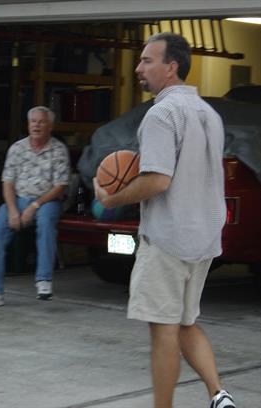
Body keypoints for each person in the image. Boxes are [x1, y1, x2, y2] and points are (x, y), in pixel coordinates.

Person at [93, 33, 235, 408]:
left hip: (170, 239)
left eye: (147, 60)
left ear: (171, 67)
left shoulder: (161, 114)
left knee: (164, 332)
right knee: (185, 323)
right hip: (204, 238)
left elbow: (156, 180)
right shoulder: (210, 114)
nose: (139, 67)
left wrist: (111, 197)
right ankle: (219, 395)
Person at [0, 106, 70, 309]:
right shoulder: (17, 149)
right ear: (28, 125)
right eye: (33, 121)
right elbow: (8, 183)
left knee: (46, 222)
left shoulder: (59, 150)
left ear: (50, 125)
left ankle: (43, 280)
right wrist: (12, 210)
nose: (36, 125)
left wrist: (34, 206)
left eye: (41, 121)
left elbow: (60, 186)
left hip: (47, 200)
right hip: (18, 199)